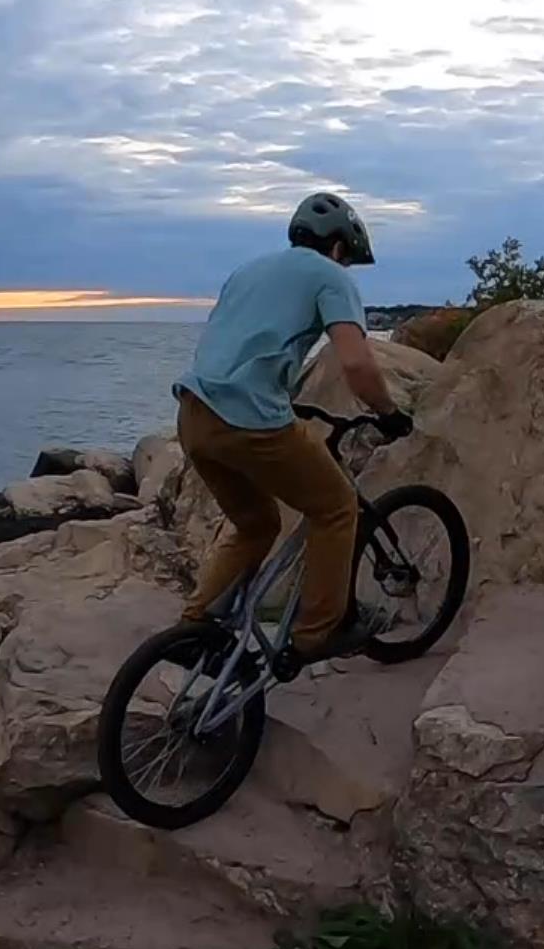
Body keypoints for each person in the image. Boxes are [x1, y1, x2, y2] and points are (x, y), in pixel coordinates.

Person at [172, 191, 413, 662]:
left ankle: (194, 626)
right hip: (248, 422)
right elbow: (357, 364)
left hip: (193, 414)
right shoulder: (329, 276)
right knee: (338, 508)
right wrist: (390, 412)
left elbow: (239, 349)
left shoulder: (247, 272)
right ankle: (318, 633)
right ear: (339, 248)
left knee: (257, 523)